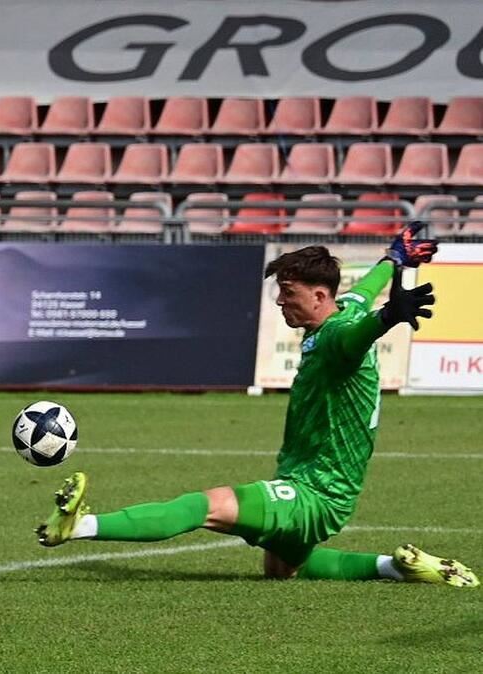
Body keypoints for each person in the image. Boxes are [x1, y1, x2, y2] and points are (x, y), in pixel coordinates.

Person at [35, 230, 479, 588]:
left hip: (314, 496)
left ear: (320, 296)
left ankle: (79, 526)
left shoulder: (335, 337)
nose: (281, 301)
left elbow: (355, 337)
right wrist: (394, 258)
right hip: (320, 489)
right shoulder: (343, 308)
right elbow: (366, 291)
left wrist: (386, 319)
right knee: (282, 572)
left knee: (204, 505)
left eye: (288, 292)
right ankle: (396, 567)